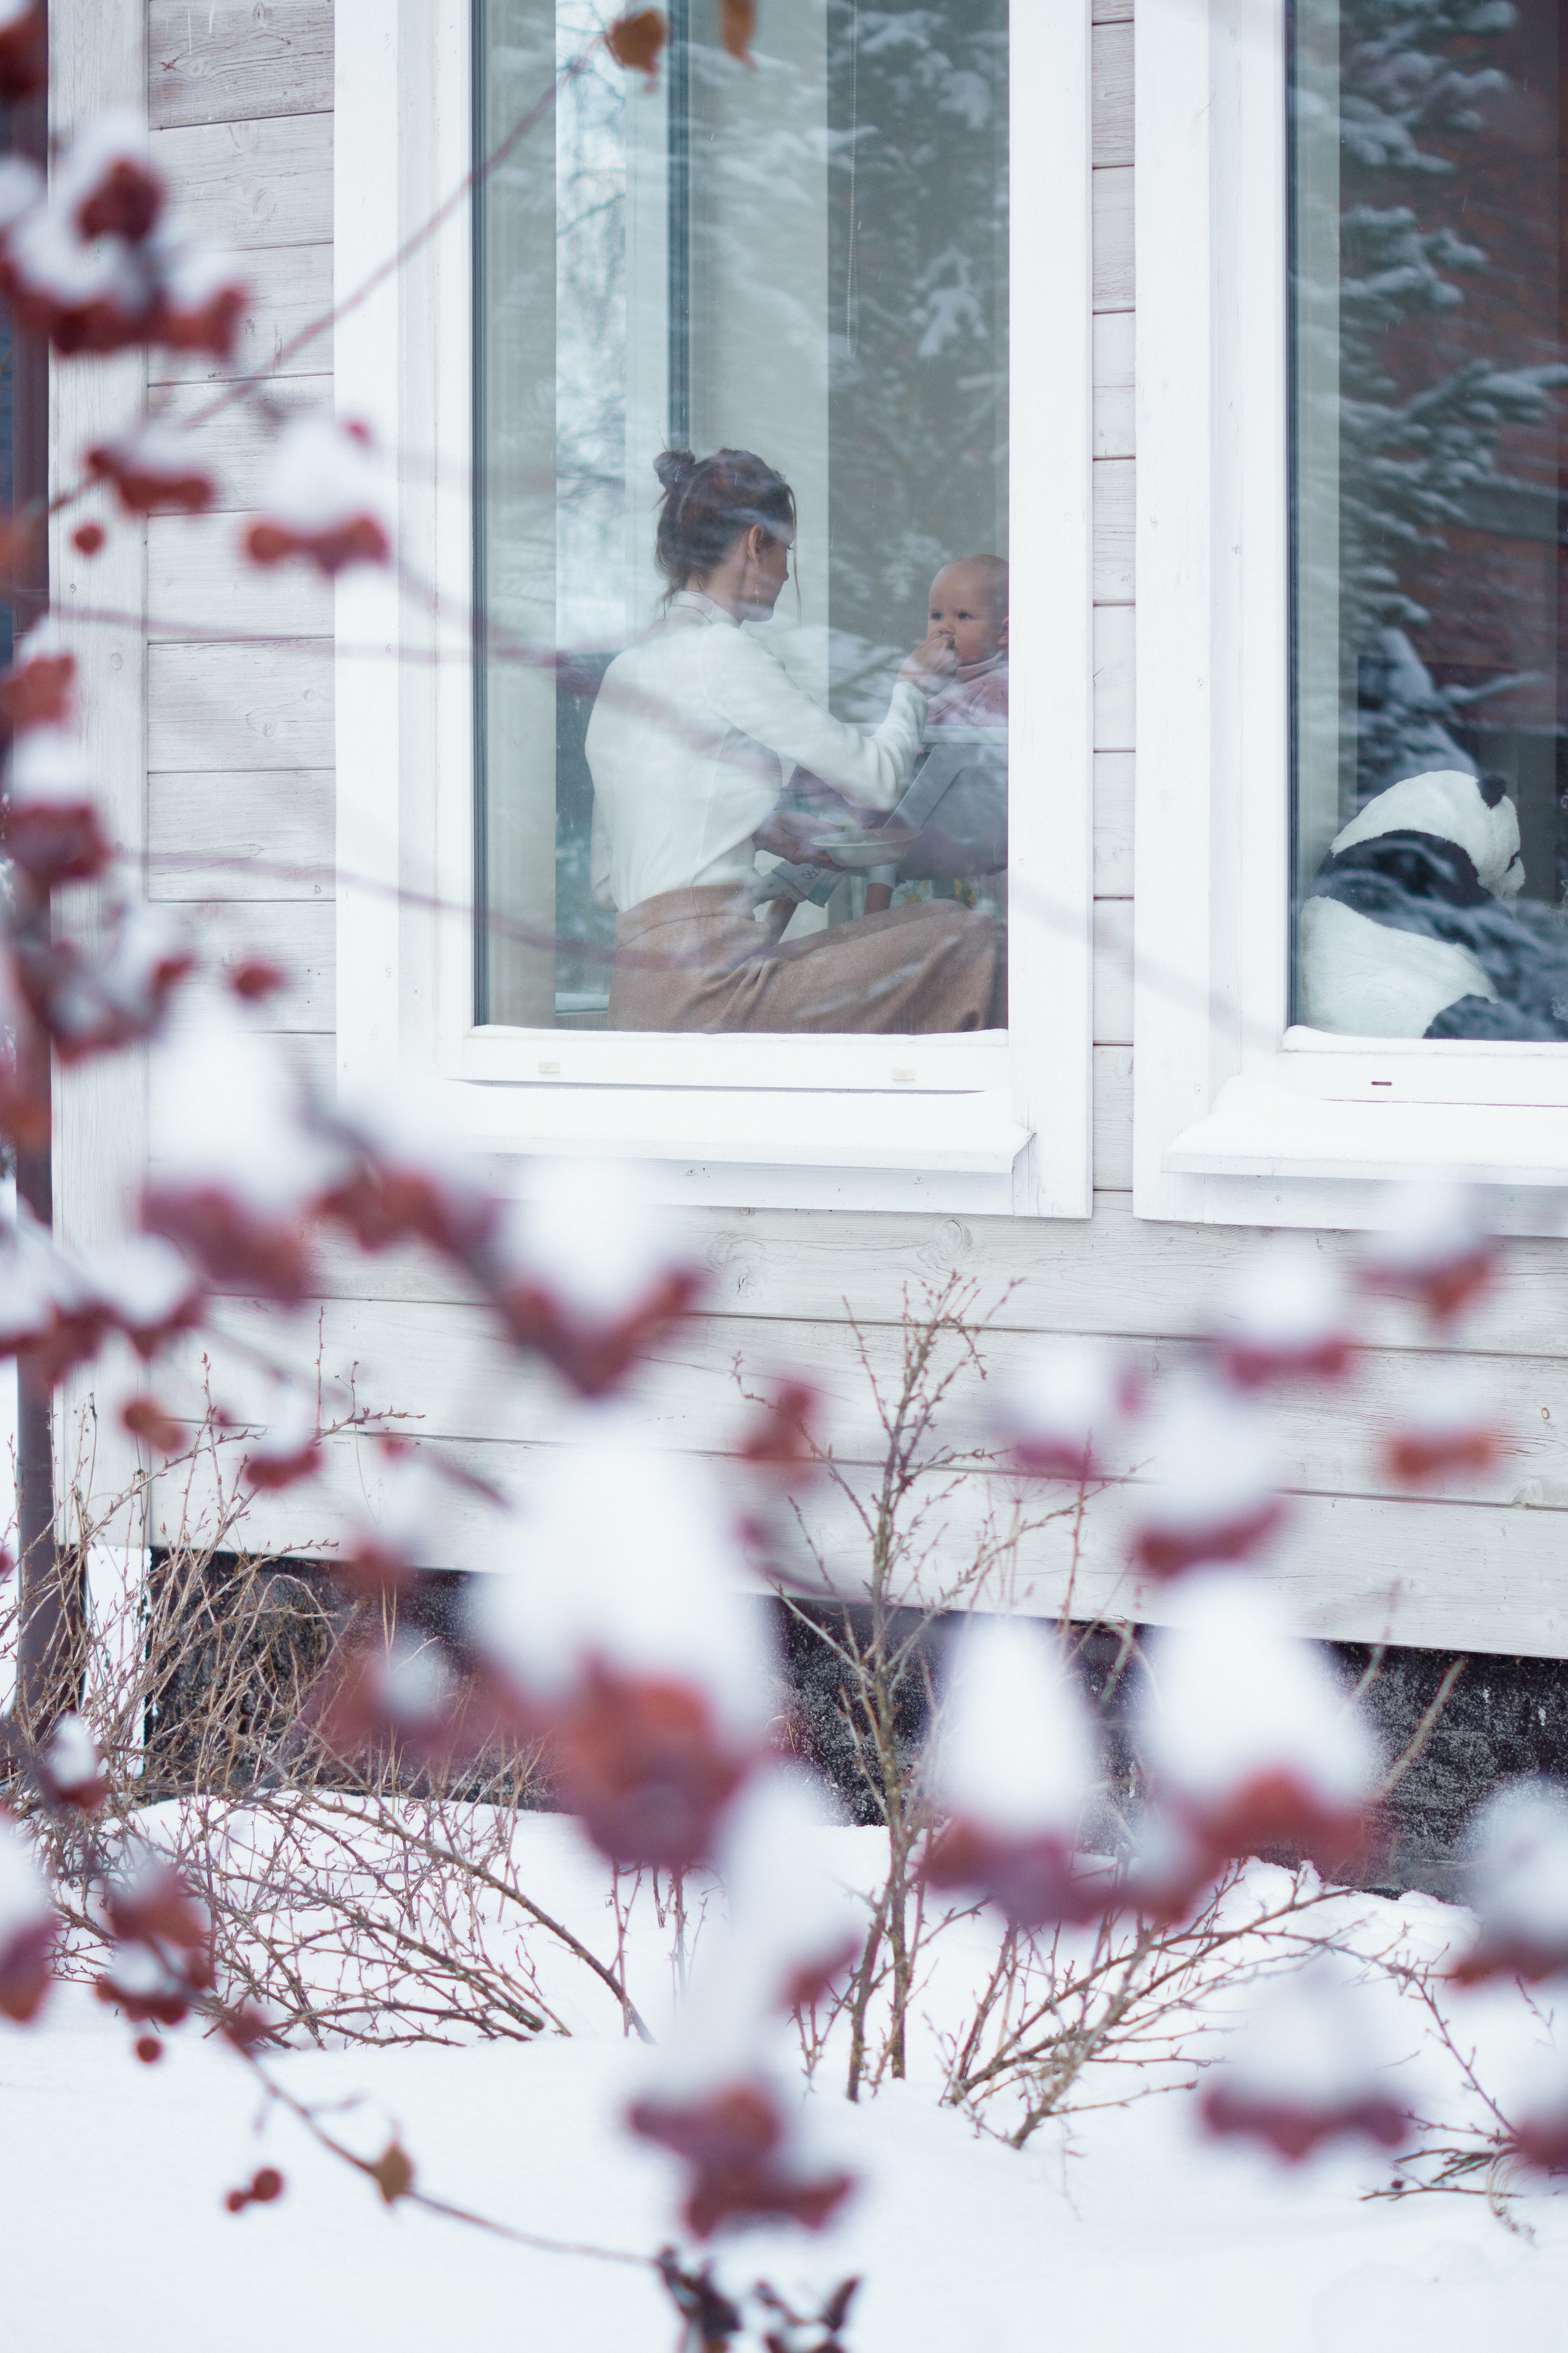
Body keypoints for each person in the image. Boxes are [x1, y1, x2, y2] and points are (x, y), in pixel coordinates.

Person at [585, 448, 1005, 1033]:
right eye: (786, 550)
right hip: (711, 995)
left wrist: (762, 831)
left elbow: (608, 885)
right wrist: (913, 687)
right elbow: (878, 781)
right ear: (755, 543)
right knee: (979, 945)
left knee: (936, 920)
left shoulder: (627, 669)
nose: (786, 573)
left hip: (639, 1001)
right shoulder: (721, 653)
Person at [865, 555, 1008, 915]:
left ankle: (872, 914)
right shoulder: (931, 683)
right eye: (936, 616)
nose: (945, 629)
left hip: (954, 820)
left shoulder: (997, 687)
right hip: (912, 808)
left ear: (1004, 632)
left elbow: (976, 753)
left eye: (963, 617)